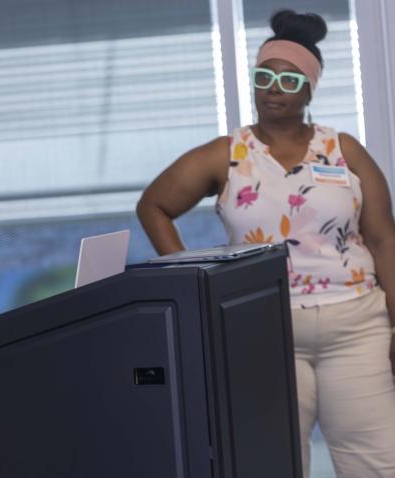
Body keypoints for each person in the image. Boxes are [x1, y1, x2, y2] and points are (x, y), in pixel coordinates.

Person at [137, 10, 395, 477]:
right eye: (265, 75)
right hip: (265, 330)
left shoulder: (344, 149)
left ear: (311, 88)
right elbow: (153, 204)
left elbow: (383, 239)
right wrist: (194, 280)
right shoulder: (228, 154)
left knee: (379, 465)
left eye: (290, 79)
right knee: (270, 465)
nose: (275, 87)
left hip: (358, 328)